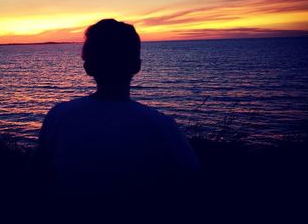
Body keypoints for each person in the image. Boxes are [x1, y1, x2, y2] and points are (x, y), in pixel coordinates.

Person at [31, 19, 199, 201]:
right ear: (137, 66)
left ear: (88, 67)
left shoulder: (59, 116)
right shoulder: (160, 125)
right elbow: (192, 178)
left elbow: (39, 172)